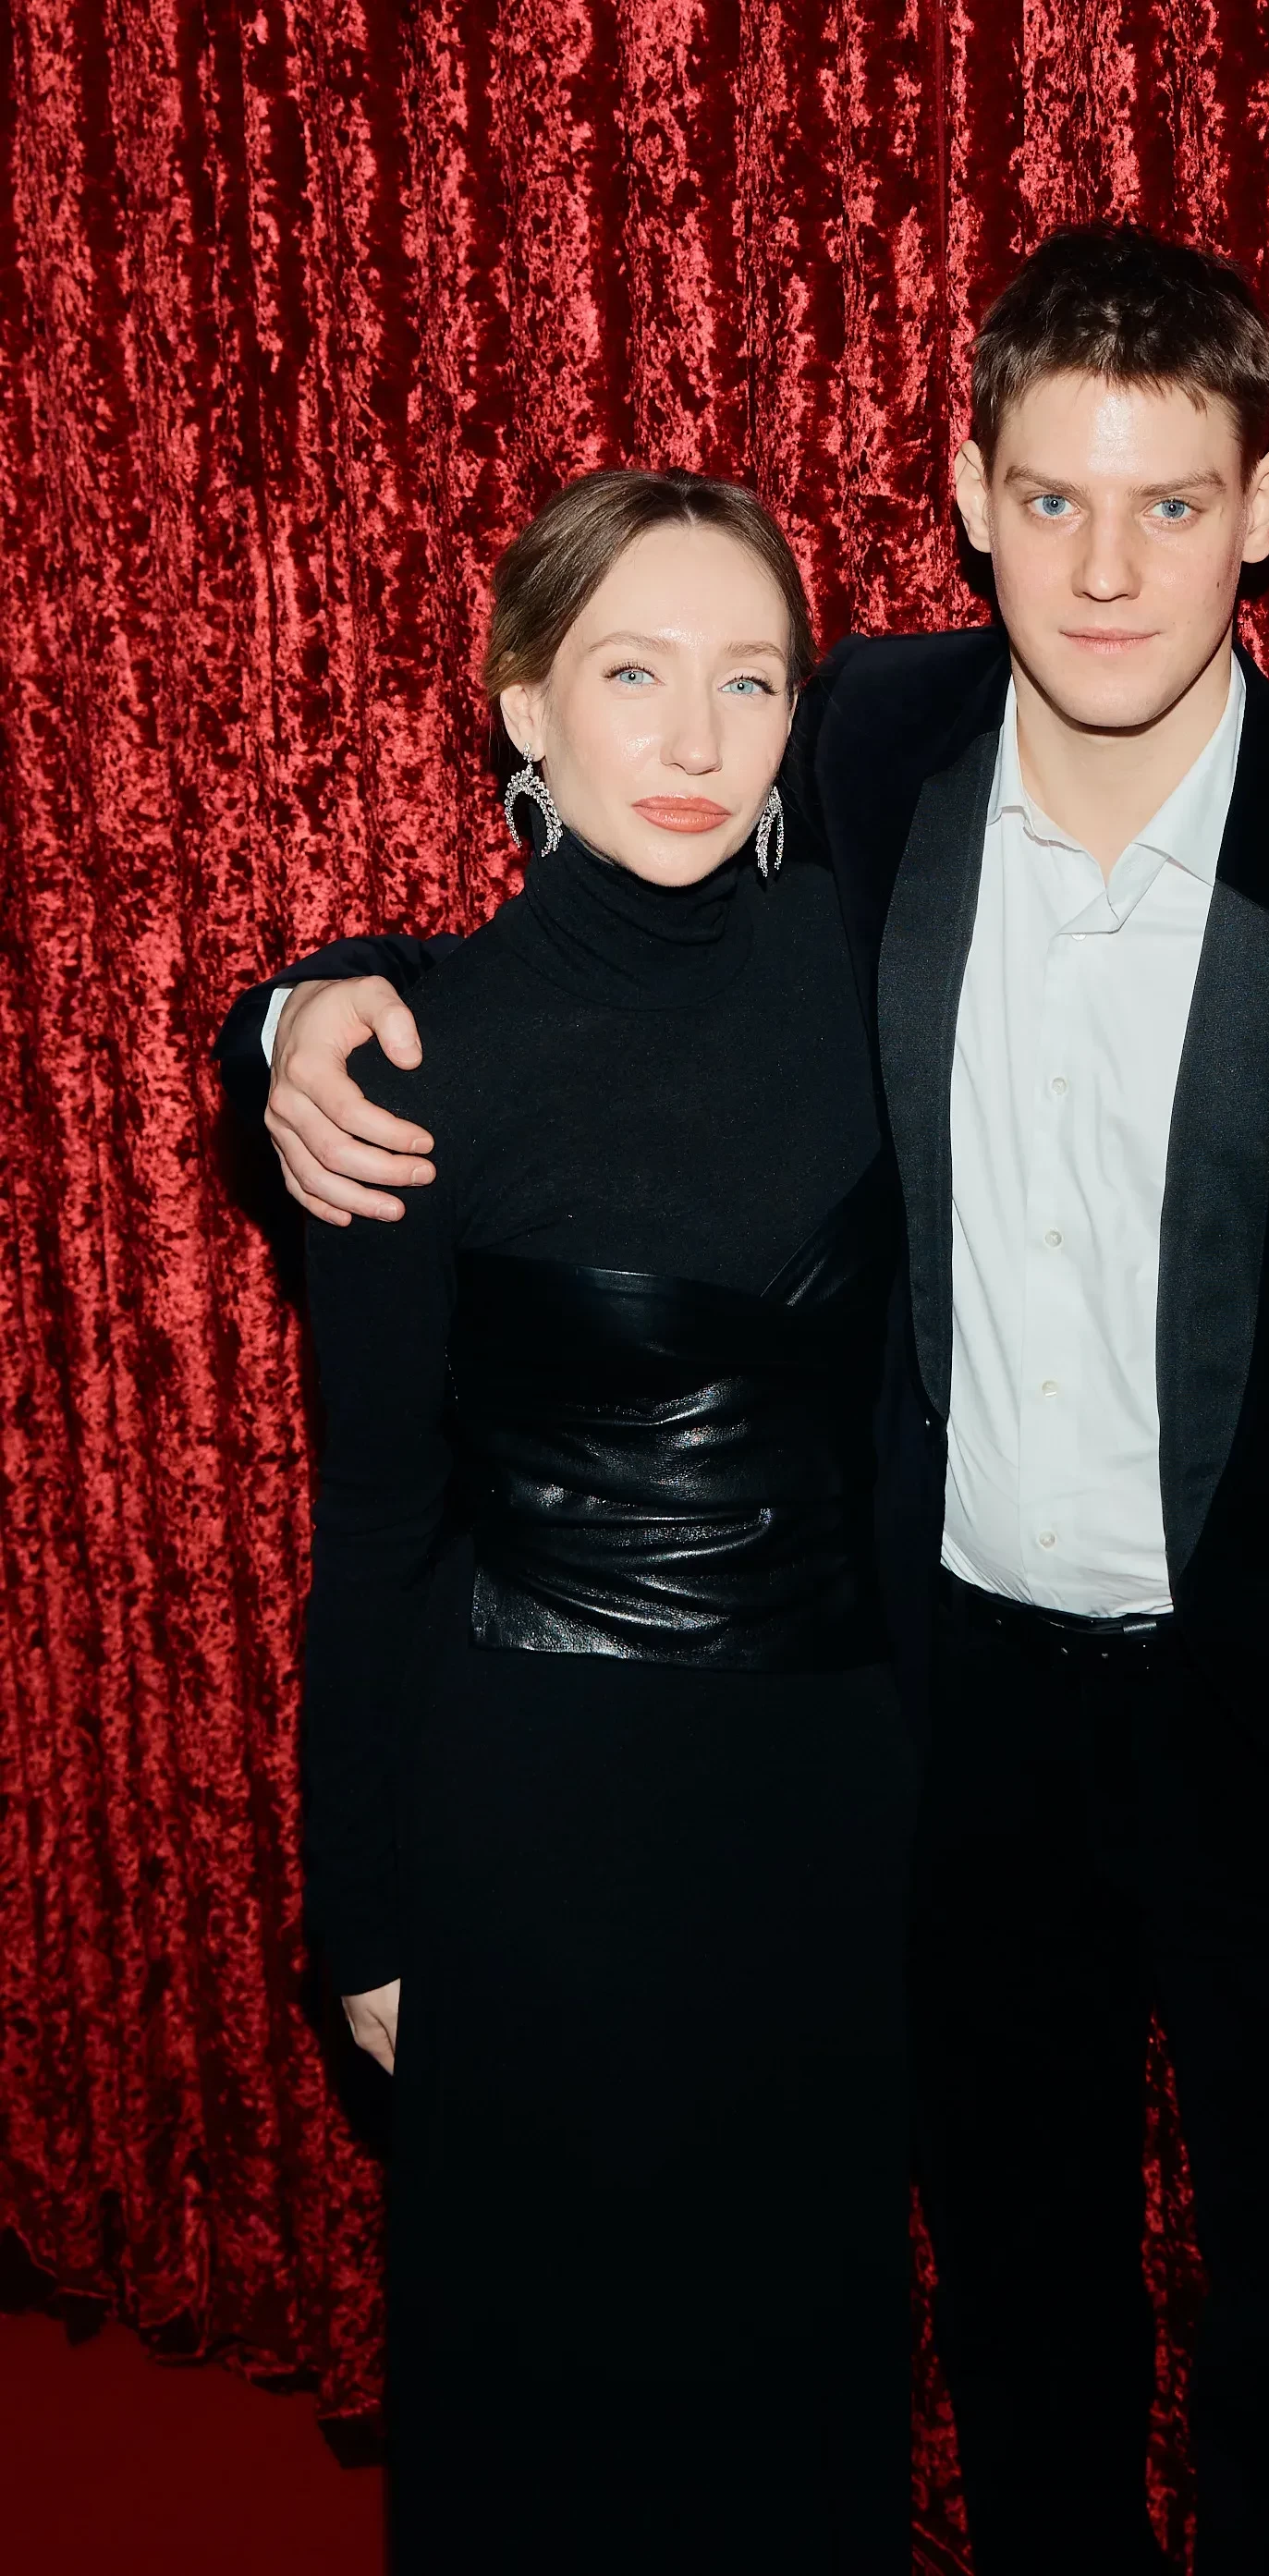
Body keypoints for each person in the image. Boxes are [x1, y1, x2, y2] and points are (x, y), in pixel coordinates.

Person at [224, 226, 1269, 2573]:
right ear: (970, 499)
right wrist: (288, 1016)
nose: (1108, 569)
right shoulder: (867, 754)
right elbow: (589, 925)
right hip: (952, 1741)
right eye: (1052, 498)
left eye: (1172, 502)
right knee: (1019, 2340)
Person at [238, 466, 917, 2572]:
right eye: (633, 675)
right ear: (524, 703)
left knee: (797, 2396)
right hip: (532, 1831)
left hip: (832, 1816)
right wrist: (361, 1915)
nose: (697, 736)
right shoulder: (406, 1062)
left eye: (750, 679)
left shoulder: (888, 977)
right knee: (551, 2416)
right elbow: (373, 1521)